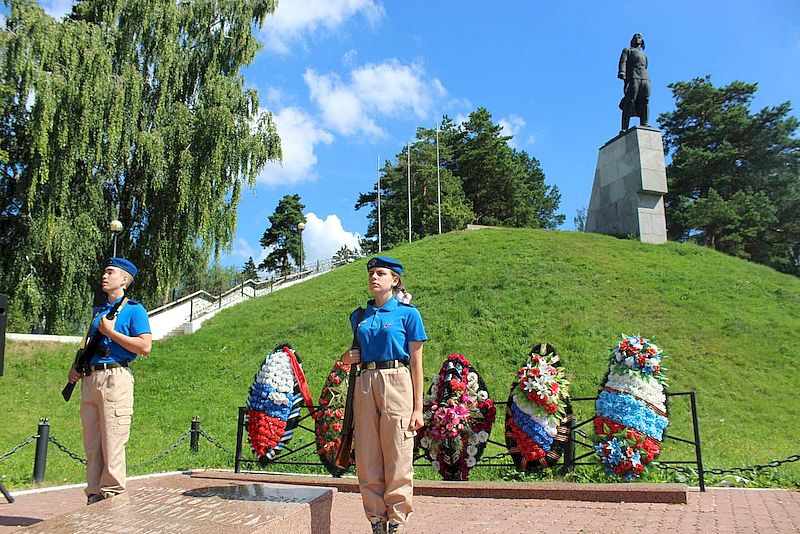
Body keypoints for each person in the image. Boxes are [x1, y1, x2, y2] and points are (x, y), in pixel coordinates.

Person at [341, 256, 427, 534]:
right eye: (371, 274)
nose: (374, 278)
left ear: (395, 280)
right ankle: (376, 520)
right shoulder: (361, 316)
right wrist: (347, 358)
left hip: (397, 381)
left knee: (398, 452)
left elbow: (416, 363)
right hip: (365, 382)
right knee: (367, 455)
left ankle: (397, 521)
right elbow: (354, 354)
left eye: (381, 273)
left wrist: (418, 408)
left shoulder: (408, 314)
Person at [67, 258, 152, 505]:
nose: (105, 276)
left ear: (124, 279)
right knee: (92, 444)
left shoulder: (135, 310)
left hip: (115, 378)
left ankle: (112, 496)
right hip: (91, 378)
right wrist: (76, 368)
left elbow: (145, 346)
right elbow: (88, 345)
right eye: (104, 271)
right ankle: (93, 494)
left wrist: (112, 333)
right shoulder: (99, 313)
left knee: (113, 441)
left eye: (110, 272)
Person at [618, 33, 650, 132]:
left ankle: (644, 123)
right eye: (635, 37)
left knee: (645, 100)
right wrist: (622, 72)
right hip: (633, 77)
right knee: (630, 100)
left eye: (639, 37)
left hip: (644, 78)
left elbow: (646, 66)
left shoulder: (644, 55)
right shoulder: (627, 50)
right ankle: (624, 127)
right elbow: (623, 61)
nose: (637, 38)